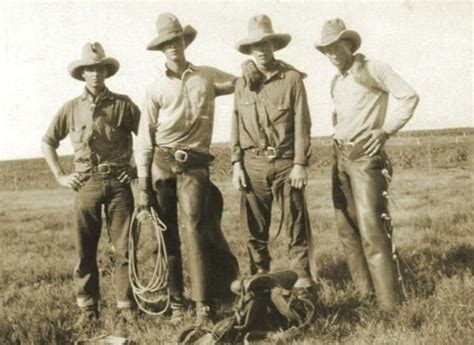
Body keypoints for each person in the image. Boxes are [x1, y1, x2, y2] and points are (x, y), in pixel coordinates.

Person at [135, 13, 248, 326]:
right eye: (167, 43)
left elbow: (241, 83)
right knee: (165, 233)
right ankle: (176, 302)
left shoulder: (207, 76)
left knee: (195, 229)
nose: (174, 47)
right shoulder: (155, 89)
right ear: (162, 48)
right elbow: (145, 140)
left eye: (178, 40)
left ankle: (203, 303)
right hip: (160, 164)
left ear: (185, 41)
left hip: (195, 165)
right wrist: (143, 186)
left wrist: (252, 68)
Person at [314, 18, 419, 309]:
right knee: (346, 229)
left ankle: (389, 307)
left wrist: (385, 130)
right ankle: (364, 297)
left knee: (372, 229)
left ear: (349, 44)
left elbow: (409, 97)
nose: (332, 54)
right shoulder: (337, 81)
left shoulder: (373, 69)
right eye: (326, 50)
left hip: (365, 158)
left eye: (336, 47)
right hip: (340, 158)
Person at [41, 42, 141, 329]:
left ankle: (126, 306)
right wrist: (60, 175)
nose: (95, 74)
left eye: (99, 68)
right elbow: (48, 142)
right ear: (82, 74)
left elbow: (147, 137)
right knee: (85, 248)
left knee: (125, 248)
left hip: (119, 185)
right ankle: (88, 307)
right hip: (86, 183)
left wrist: (133, 169)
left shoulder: (123, 104)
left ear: (106, 71)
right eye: (89, 69)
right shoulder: (70, 109)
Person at [231, 14, 316, 299]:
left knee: (295, 225)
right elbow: (236, 124)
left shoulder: (291, 79)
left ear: (274, 46)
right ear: (249, 50)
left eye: (266, 44)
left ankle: (303, 284)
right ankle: (259, 283)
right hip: (252, 164)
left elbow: (303, 123)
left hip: (285, 163)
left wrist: (300, 164)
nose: (261, 49)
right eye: (255, 45)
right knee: (254, 230)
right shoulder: (241, 83)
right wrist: (235, 163)